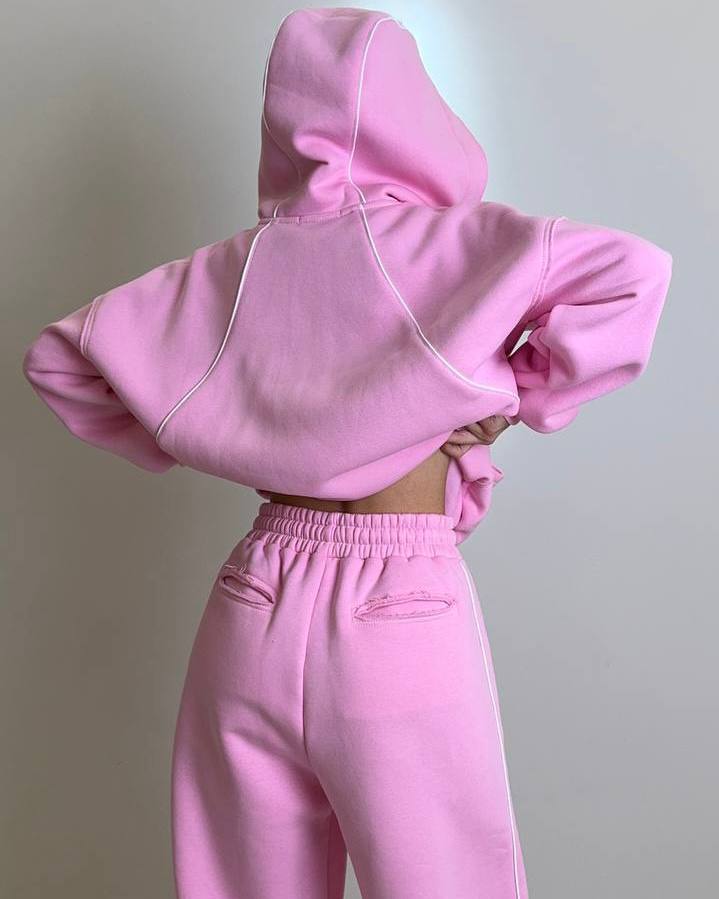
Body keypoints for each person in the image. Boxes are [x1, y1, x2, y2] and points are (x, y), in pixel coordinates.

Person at [21, 8, 673, 898]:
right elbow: (633, 274)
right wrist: (513, 396)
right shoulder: (449, 245)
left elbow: (59, 360)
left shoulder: (238, 267)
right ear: (416, 115)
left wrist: (213, 426)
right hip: (396, 608)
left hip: (253, 598)